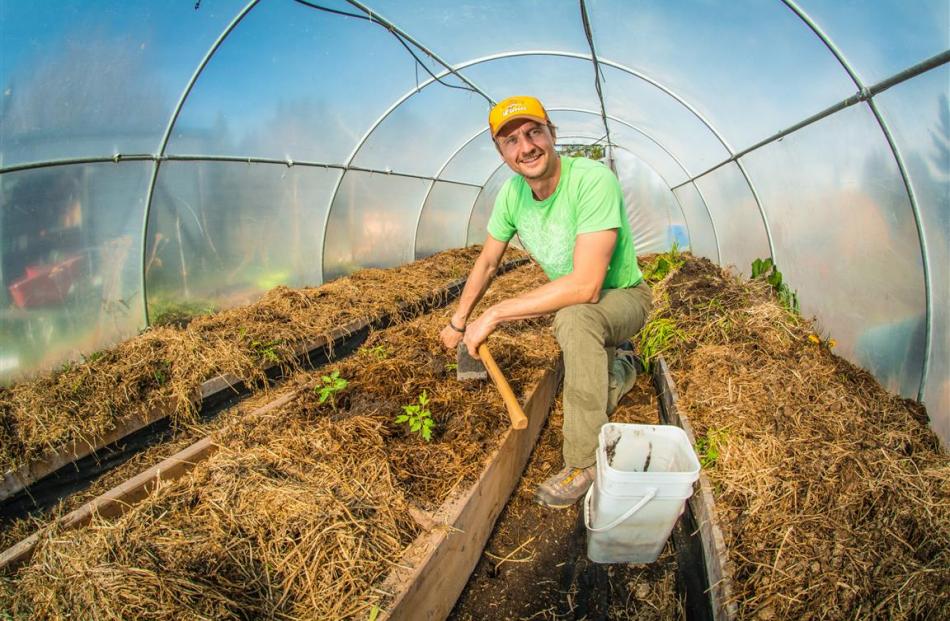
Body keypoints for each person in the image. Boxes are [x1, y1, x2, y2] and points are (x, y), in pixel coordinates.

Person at [440, 96, 652, 508]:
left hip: (624, 297)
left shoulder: (591, 179)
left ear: (552, 134)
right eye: (511, 141)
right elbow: (486, 262)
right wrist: (458, 322)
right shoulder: (512, 195)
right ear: (501, 153)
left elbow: (587, 286)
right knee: (592, 373)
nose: (526, 147)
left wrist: (496, 313)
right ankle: (623, 366)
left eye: (534, 132)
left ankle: (583, 462)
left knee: (573, 319)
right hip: (588, 305)